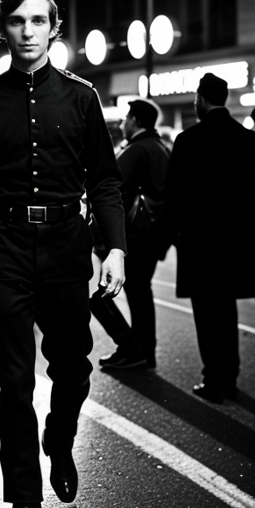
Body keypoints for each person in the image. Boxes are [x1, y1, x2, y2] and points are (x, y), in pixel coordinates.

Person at [0, 0, 126, 508]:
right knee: (14, 384)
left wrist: (116, 248)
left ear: (54, 28)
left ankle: (62, 433)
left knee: (72, 367)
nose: (27, 31)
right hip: (3, 247)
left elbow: (103, 179)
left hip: (66, 246)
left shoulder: (81, 98)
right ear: (3, 29)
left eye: (37, 21)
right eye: (17, 21)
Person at [165, 73, 255, 403]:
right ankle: (230, 376)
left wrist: (175, 236)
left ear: (201, 99)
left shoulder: (188, 140)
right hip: (237, 242)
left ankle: (214, 378)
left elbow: (174, 196)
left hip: (200, 243)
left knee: (207, 313)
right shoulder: (250, 141)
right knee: (227, 311)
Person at [94, 99, 170, 371]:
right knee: (140, 294)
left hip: (134, 236)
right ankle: (142, 351)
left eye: (127, 118)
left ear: (136, 120)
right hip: (153, 235)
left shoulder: (136, 151)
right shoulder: (161, 148)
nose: (124, 124)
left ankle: (131, 348)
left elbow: (110, 190)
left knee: (102, 297)